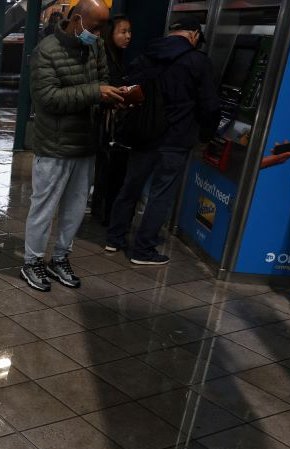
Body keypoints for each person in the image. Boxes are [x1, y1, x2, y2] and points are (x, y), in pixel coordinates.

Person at [20, 0, 123, 292]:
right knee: (44, 207)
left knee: (75, 209)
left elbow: (103, 79)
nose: (100, 34)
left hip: (86, 143)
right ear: (76, 20)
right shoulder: (46, 51)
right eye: (96, 27)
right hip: (54, 145)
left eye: (103, 27)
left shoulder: (94, 47)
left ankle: (61, 257)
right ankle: (32, 261)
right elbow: (48, 98)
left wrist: (111, 96)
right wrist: (95, 92)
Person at [105, 17, 220, 265]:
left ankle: (114, 238)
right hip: (176, 139)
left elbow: (127, 89)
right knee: (161, 194)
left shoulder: (147, 53)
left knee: (131, 187)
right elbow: (210, 106)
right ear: (194, 35)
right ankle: (143, 250)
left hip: (143, 134)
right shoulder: (198, 61)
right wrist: (206, 135)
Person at [91, 14, 131, 225]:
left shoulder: (118, 56)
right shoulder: (104, 57)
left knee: (104, 169)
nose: (128, 36)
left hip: (108, 122)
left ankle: (99, 207)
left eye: (129, 32)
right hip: (105, 123)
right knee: (106, 168)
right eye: (122, 32)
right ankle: (102, 210)